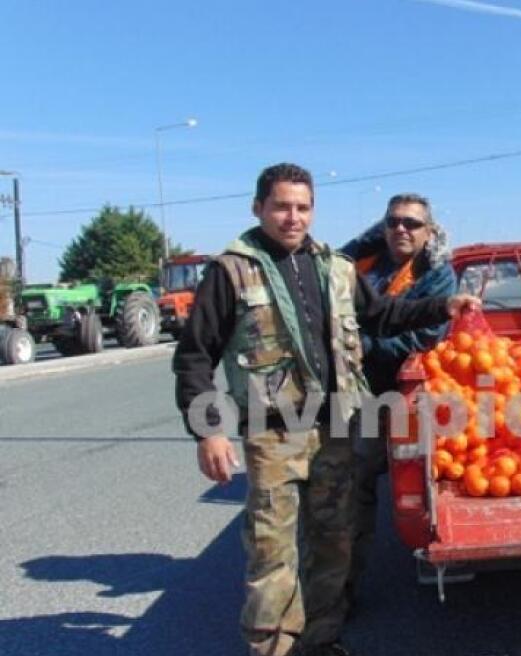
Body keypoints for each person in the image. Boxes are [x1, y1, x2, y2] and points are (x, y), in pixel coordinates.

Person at [172, 163, 479, 656]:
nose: (293, 217)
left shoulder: (335, 268)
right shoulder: (231, 271)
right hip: (275, 434)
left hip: (337, 426)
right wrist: (208, 432)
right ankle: (272, 647)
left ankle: (320, 641)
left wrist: (442, 308)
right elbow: (194, 357)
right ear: (259, 208)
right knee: (273, 553)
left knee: (334, 543)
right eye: (281, 206)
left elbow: (381, 315)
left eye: (302, 207)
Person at [338, 193, 456, 607]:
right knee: (349, 488)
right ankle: (340, 590)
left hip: (390, 390)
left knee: (361, 482)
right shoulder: (366, 259)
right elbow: (332, 266)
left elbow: (424, 338)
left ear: (430, 231)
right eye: (392, 222)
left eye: (412, 223)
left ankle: (340, 588)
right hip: (348, 388)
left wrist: (359, 345)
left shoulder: (438, 275)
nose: (401, 229)